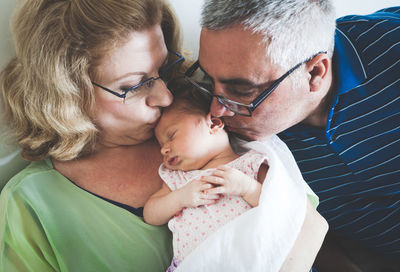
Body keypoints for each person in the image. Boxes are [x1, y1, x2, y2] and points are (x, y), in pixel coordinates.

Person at [186, 0, 400, 269]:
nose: (217, 110)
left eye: (242, 92)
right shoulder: (229, 139)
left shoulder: (392, 49)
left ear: (314, 72)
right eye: (208, 79)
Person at [0, 0, 184, 270]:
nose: (166, 97)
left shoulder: (199, 120)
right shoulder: (31, 206)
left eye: (163, 68)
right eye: (134, 85)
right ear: (68, 93)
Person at [144, 83, 269, 270]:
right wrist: (179, 198)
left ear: (213, 124)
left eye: (171, 136)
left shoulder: (250, 164)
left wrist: (248, 188)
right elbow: (150, 214)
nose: (164, 149)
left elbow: (280, 206)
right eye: (161, 144)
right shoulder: (179, 178)